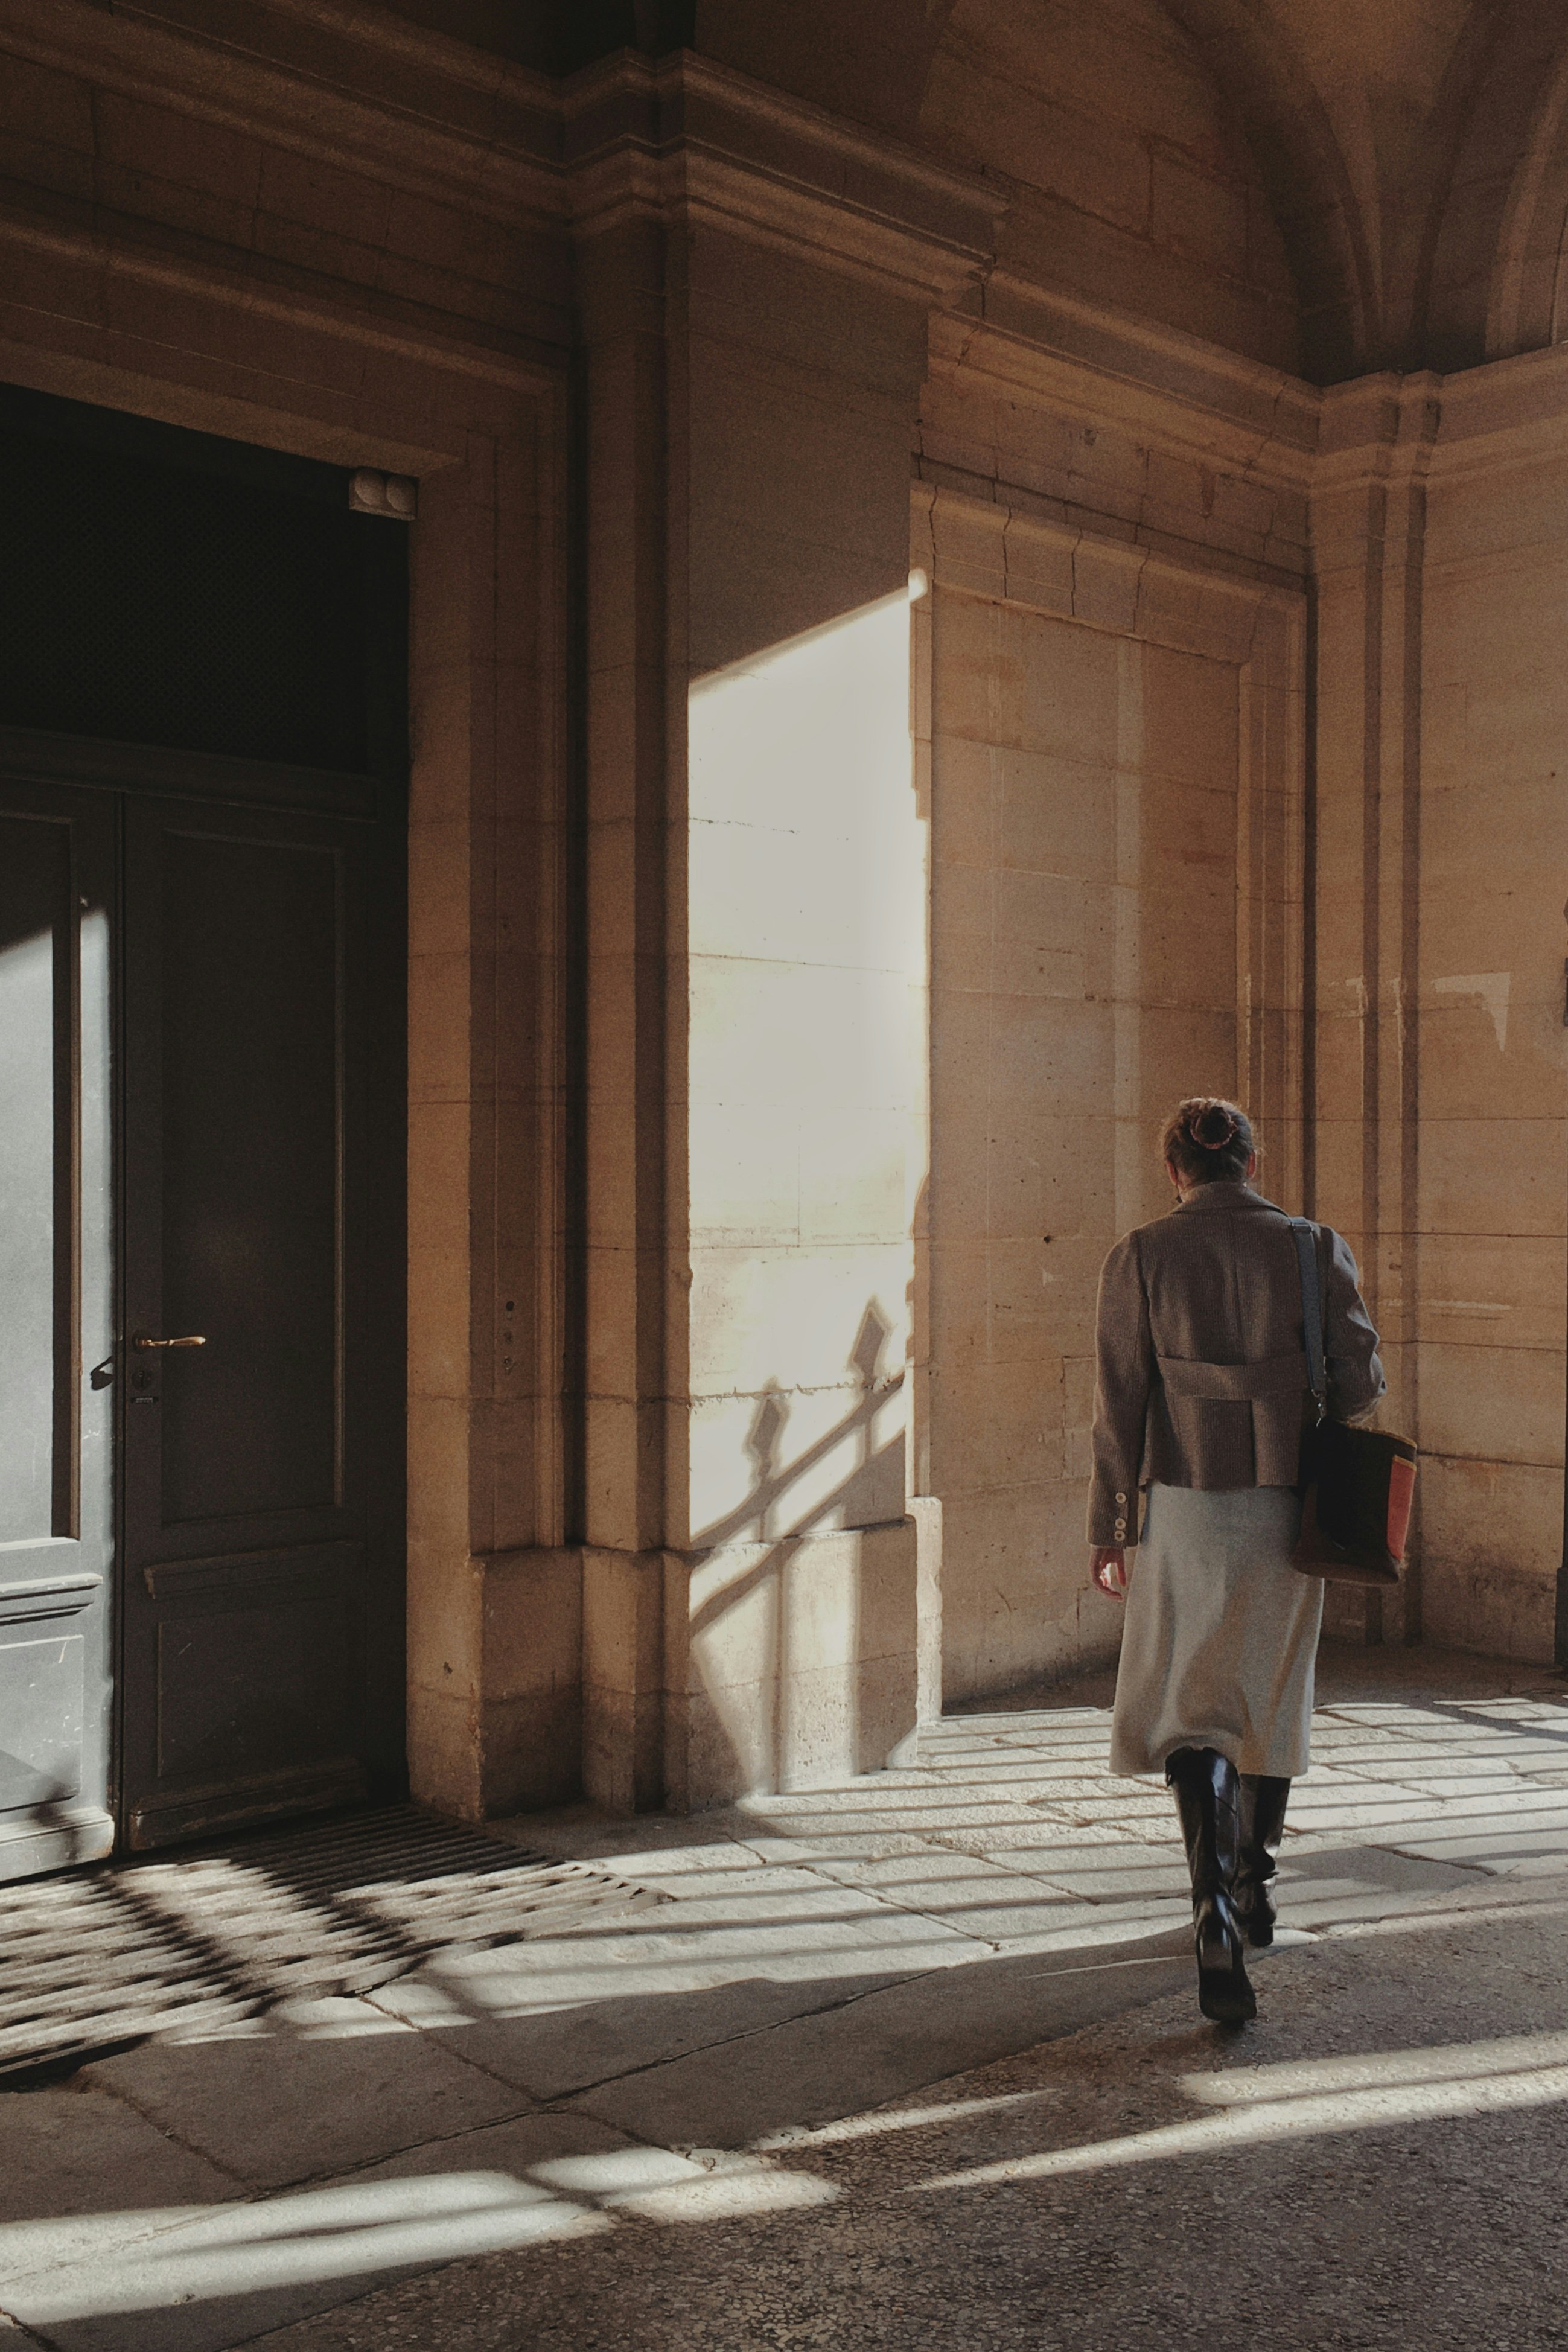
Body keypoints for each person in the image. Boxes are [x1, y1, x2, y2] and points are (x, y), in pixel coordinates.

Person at [1086, 1097, 1384, 2023]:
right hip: (1288, 1506)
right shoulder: (1312, 1244)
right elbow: (1363, 1383)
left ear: (1172, 1168)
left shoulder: (1139, 1253)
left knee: (1190, 1707)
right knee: (1268, 1689)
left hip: (1180, 1503)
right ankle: (1253, 1892)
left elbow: (1118, 1399)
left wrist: (1109, 1522)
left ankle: (1209, 1908)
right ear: (1252, 1160)